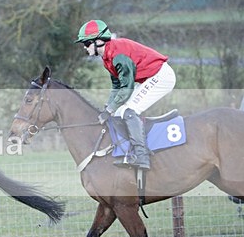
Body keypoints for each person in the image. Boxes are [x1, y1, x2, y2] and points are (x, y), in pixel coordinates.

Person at [75, 19, 176, 170]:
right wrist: (109, 108)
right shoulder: (107, 57)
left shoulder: (118, 56)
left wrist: (109, 110)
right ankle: (128, 151)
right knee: (118, 110)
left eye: (87, 43)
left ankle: (141, 156)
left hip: (161, 76)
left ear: (99, 41)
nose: (85, 47)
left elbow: (127, 88)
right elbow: (117, 86)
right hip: (151, 77)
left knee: (128, 111)